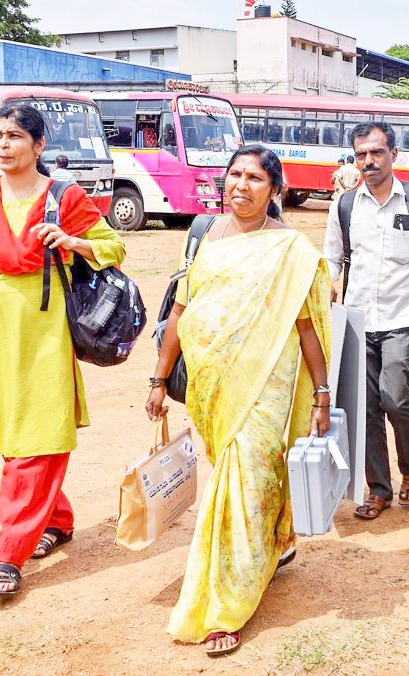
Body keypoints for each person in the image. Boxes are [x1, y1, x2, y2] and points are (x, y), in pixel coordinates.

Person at [0, 104, 126, 599]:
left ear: (39, 145)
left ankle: (9, 555)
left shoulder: (64, 196)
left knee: (36, 443)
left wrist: (73, 240)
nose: (3, 145)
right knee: (18, 440)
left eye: (15, 136)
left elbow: (114, 247)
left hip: (46, 335)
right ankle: (56, 521)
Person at [145, 144, 332, 657]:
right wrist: (159, 381)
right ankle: (270, 548)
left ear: (275, 190)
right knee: (243, 485)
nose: (241, 185)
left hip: (266, 389)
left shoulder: (290, 250)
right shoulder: (206, 238)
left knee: (246, 484)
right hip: (213, 389)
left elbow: (306, 327)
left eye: (254, 178)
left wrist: (320, 393)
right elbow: (181, 314)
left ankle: (226, 605)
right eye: (234, 175)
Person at [323, 122, 409, 520]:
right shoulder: (344, 206)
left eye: (376, 153)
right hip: (356, 319)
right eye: (360, 155)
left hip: (401, 317)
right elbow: (330, 262)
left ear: (394, 154)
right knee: (364, 407)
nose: (368, 162)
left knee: (394, 396)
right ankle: (378, 488)